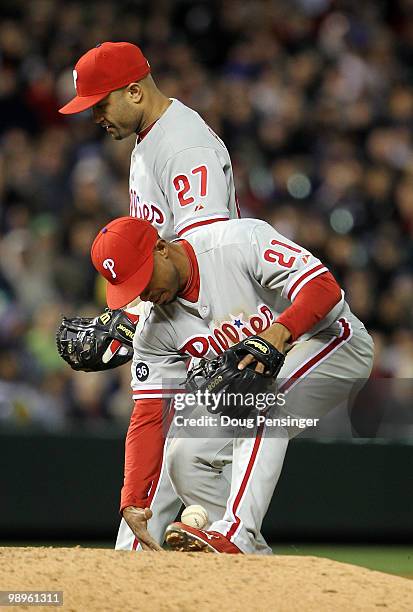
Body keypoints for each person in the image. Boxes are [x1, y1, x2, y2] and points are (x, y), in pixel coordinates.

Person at [91, 215, 374, 554]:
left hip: (334, 341)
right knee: (186, 456)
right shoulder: (154, 329)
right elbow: (149, 414)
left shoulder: (237, 242)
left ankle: (236, 535)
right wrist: (133, 498)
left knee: (262, 400)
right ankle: (250, 562)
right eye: (132, 289)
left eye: (143, 278)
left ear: (162, 248)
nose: (145, 294)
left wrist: (280, 331)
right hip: (261, 379)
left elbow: (324, 288)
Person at [59, 41, 240, 551]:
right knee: (157, 503)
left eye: (100, 103)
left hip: (215, 335)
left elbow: (202, 257)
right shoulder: (150, 141)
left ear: (135, 91)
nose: (94, 115)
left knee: (170, 489)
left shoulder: (183, 147)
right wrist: (132, 314)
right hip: (188, 334)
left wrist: (132, 322)